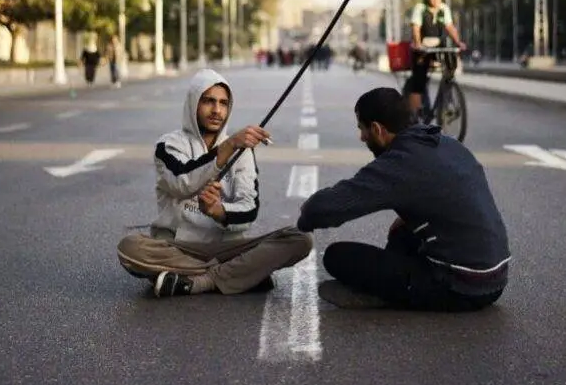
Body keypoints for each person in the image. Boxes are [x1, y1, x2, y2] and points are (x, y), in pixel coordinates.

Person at [297, 87, 510, 311]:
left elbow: (325, 209)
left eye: (362, 129)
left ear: (377, 129)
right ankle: (401, 282)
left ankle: (395, 294)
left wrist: (306, 215)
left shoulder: (400, 163)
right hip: (495, 277)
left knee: (337, 257)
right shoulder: (443, 142)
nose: (361, 137)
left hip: (462, 288)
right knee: (401, 232)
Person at [116, 69, 312, 297]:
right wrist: (228, 147)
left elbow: (249, 209)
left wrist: (219, 211)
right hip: (177, 247)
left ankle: (202, 280)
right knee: (130, 247)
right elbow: (182, 181)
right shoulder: (169, 145)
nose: (217, 110)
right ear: (193, 104)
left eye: (223, 103)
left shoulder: (243, 152)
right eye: (208, 101)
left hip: (226, 248)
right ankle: (240, 274)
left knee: (300, 239)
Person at [403, 0, 466, 118]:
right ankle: (416, 114)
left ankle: (447, 98)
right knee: (418, 81)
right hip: (422, 47)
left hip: (438, 46)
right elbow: (416, 28)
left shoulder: (444, 9)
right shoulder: (420, 8)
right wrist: (419, 44)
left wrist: (458, 42)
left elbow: (450, 27)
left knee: (451, 64)